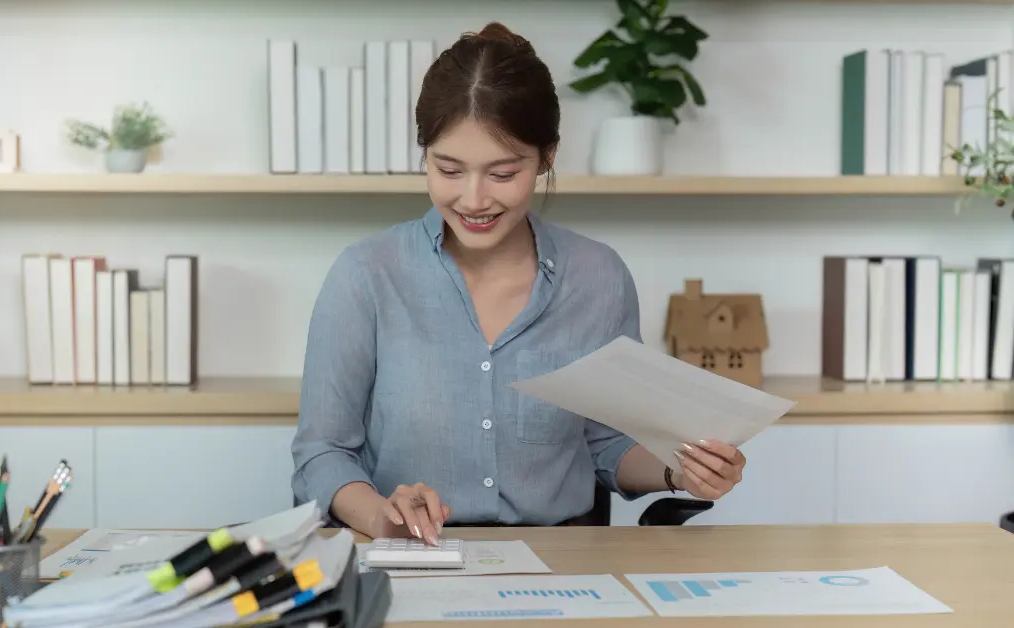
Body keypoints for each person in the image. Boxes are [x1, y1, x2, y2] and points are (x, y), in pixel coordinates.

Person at [290, 22, 747, 545]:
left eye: (503, 174)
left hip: (562, 563)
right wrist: (381, 517)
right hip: (411, 558)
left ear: (546, 156)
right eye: (448, 169)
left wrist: (681, 470)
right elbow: (322, 452)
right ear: (425, 154)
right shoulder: (366, 275)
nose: (474, 198)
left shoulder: (598, 277)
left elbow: (605, 444)